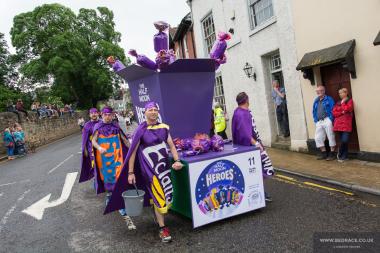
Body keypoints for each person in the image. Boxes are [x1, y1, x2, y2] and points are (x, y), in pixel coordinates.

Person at [105, 102, 184, 243]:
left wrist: (177, 160)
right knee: (159, 197)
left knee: (166, 195)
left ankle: (158, 215)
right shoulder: (140, 130)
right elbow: (132, 153)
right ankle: (163, 228)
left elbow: (171, 145)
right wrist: (130, 173)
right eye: (150, 110)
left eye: (155, 110)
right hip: (149, 171)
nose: (153, 112)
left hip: (164, 168)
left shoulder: (164, 127)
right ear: (145, 112)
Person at [91, 107, 136, 230]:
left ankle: (118, 203)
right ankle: (110, 196)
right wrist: (99, 148)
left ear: (112, 115)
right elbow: (93, 141)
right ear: (102, 115)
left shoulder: (116, 127)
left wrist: (133, 148)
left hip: (117, 157)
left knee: (118, 178)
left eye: (110, 115)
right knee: (108, 178)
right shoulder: (98, 127)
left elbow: (125, 140)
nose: (108, 117)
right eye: (105, 115)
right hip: (104, 160)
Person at [231, 92, 274, 202]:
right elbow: (245, 133)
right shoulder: (242, 113)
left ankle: (259, 191)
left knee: (256, 169)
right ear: (246, 100)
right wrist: (256, 144)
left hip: (248, 146)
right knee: (261, 168)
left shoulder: (239, 111)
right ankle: (260, 192)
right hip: (250, 147)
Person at [312, 85, 336, 161]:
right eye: (317, 91)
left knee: (330, 135)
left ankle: (332, 154)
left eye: (319, 91)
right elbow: (314, 111)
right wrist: (316, 120)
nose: (318, 92)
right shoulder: (316, 100)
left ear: (323, 91)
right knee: (317, 137)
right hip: (319, 121)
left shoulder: (329, 99)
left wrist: (330, 119)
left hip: (327, 120)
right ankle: (324, 153)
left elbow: (333, 109)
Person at [332, 88, 354, 162]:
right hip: (338, 124)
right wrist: (342, 112)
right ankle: (344, 156)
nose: (340, 94)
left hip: (346, 124)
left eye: (341, 93)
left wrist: (343, 104)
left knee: (344, 140)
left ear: (346, 93)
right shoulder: (338, 102)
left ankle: (340, 153)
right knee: (343, 141)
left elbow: (348, 109)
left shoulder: (350, 101)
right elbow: (334, 113)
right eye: (339, 93)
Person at [79, 108, 100, 184]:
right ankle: (96, 181)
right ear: (90, 115)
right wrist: (84, 150)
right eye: (92, 113)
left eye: (95, 113)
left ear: (98, 113)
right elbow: (84, 139)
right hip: (91, 149)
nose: (94, 114)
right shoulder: (86, 125)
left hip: (101, 147)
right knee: (94, 164)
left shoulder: (101, 123)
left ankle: (103, 180)